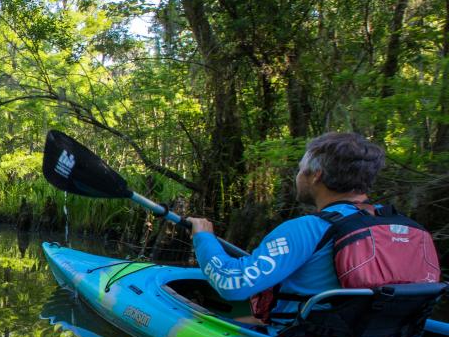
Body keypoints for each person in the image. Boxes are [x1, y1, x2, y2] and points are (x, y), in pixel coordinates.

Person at [186, 132, 439, 327]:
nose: (297, 177)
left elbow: (233, 283)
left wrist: (204, 237)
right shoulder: (409, 228)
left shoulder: (306, 229)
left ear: (316, 175)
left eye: (300, 170)